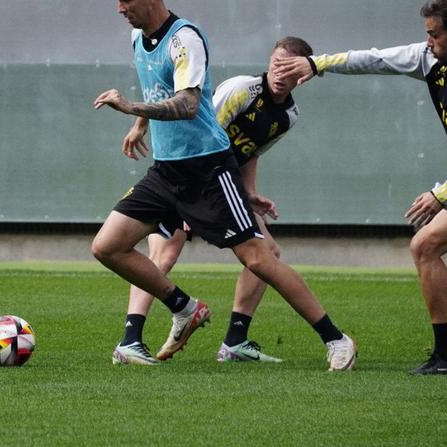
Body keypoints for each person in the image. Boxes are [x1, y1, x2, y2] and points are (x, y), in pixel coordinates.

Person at [91, 0, 356, 371]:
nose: (119, 8)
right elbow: (160, 87)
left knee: (261, 258)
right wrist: (141, 124)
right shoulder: (138, 38)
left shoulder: (185, 39)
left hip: (207, 170)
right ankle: (182, 308)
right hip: (166, 171)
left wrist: (130, 109)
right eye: (117, 0)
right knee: (107, 246)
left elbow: (188, 103)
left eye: (125, 0)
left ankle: (336, 339)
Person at [274, 0, 447, 374]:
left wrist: (441, 194)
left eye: (434, 34)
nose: (428, 42)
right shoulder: (431, 59)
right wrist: (316, 63)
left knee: (424, 246)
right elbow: (374, 58)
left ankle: (445, 358)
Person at [112, 37, 315, 365]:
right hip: (189, 175)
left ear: (303, 75)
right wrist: (193, 199)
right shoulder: (242, 90)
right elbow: (201, 133)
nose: (280, 73)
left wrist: (250, 192)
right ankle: (130, 340)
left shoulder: (288, 116)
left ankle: (235, 340)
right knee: (163, 253)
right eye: (276, 64)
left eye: (290, 68)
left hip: (221, 185)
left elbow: (250, 152)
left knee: (267, 253)